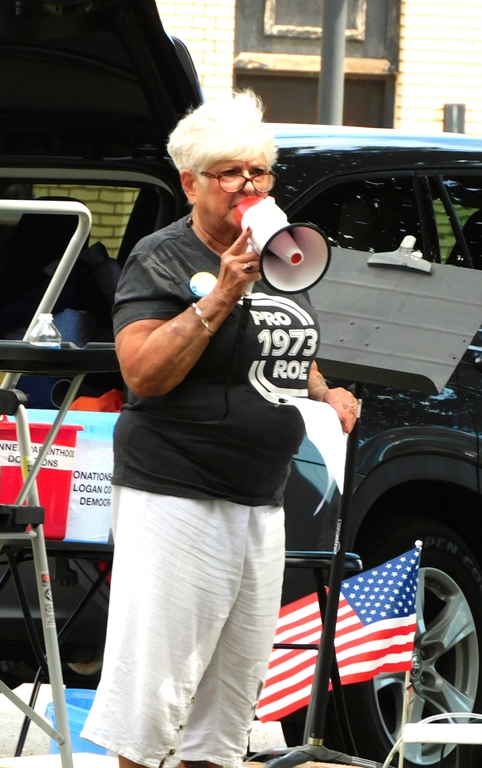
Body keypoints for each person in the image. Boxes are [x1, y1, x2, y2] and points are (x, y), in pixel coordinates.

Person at [79, 91, 357, 768]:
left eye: (259, 171)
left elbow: (282, 344)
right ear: (190, 182)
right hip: (177, 491)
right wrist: (224, 290)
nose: (249, 185)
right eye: (230, 172)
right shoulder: (163, 257)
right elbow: (143, 372)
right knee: (156, 694)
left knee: (230, 701)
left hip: (260, 497)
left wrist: (326, 391)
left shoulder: (282, 252)